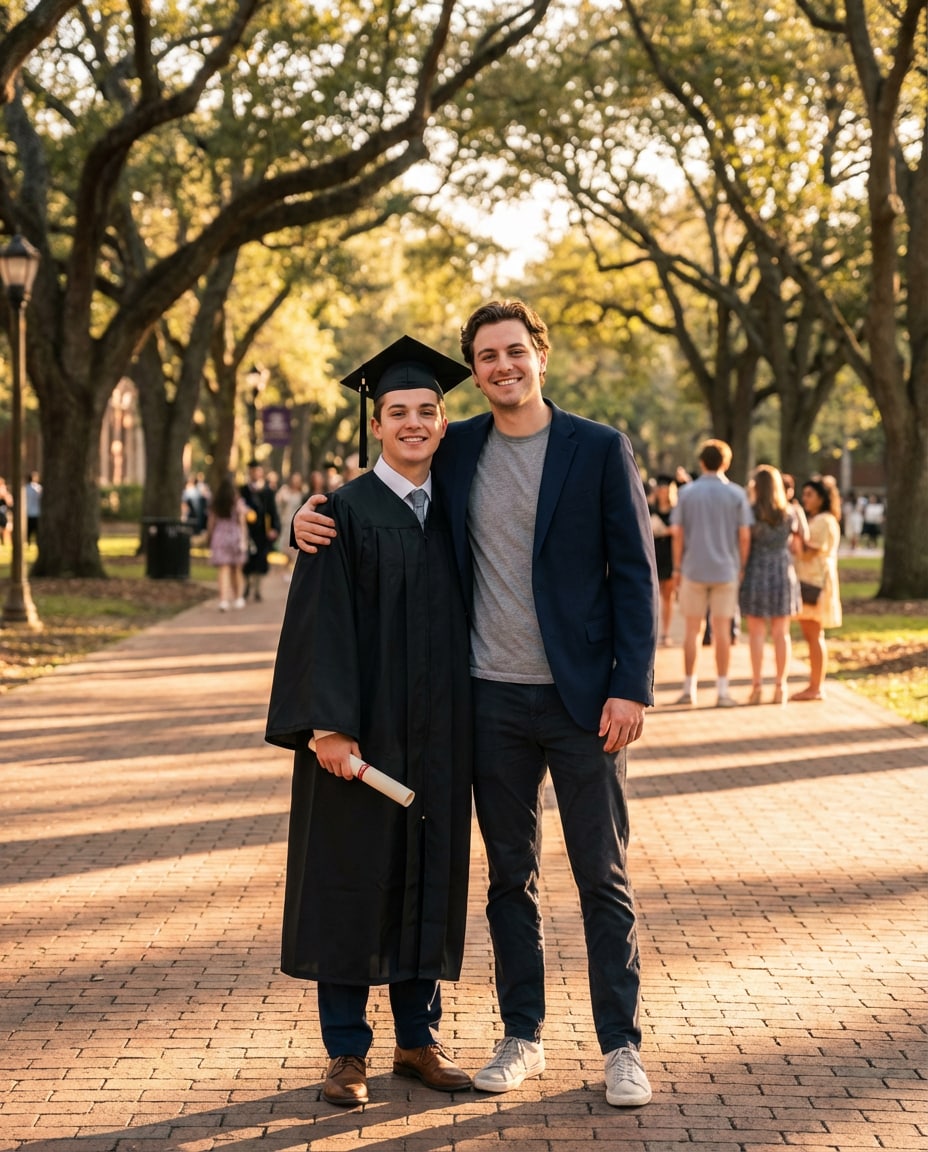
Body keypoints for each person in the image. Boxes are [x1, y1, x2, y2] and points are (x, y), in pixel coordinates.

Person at [294, 299, 659, 1108]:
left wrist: (632, 684)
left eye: (514, 352)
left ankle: (621, 1046)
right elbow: (371, 496)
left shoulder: (596, 449)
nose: (502, 366)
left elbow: (636, 575)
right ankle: (518, 1034)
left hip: (575, 705)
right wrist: (307, 516)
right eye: (486, 356)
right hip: (485, 705)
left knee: (602, 875)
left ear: (540, 355)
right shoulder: (453, 453)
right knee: (506, 880)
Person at [266, 336, 474, 1106]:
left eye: (427, 410)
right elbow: (319, 624)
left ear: (444, 423)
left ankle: (418, 1041)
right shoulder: (339, 513)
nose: (413, 423)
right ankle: (347, 1052)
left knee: (426, 875)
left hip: (440, 733)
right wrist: (326, 725)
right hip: (357, 737)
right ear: (377, 424)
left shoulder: (457, 508)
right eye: (398, 412)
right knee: (350, 879)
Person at [670, 439, 752, 708]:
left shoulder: (686, 493)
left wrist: (678, 567)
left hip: (693, 568)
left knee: (692, 631)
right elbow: (744, 536)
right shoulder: (737, 494)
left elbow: (678, 535)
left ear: (701, 461)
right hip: (726, 569)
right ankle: (722, 690)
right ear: (726, 463)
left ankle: (689, 687)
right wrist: (741, 566)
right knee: (722, 632)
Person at [739, 466, 805, 705]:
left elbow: (745, 543)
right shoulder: (790, 512)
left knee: (757, 633)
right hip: (782, 571)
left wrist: (741, 569)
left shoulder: (750, 512)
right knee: (781, 634)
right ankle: (781, 686)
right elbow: (797, 547)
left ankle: (757, 686)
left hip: (756, 570)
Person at [791, 475, 843, 701]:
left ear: (822, 498)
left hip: (816, 583)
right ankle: (814, 685)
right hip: (810, 581)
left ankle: (816, 686)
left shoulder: (823, 521)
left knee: (814, 635)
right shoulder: (820, 519)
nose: (805, 499)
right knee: (811, 634)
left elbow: (809, 550)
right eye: (804, 495)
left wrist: (793, 527)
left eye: (810, 495)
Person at [239, 461, 281, 602]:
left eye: (257, 471)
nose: (255, 473)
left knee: (260, 561)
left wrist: (275, 528)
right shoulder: (243, 490)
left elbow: (273, 512)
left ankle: (257, 589)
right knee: (247, 561)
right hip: (247, 531)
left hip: (263, 532)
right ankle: (246, 586)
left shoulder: (268, 491)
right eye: (252, 471)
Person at [206, 475, 248, 611]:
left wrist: (209, 537)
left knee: (223, 570)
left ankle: (223, 600)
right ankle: (238, 597)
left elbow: (211, 523)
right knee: (237, 570)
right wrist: (244, 540)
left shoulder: (216, 503)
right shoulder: (237, 502)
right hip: (235, 537)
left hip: (220, 537)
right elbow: (242, 523)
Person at [650, 475, 678, 646]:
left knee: (668, 596)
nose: (662, 490)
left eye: (665, 487)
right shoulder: (650, 508)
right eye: (659, 487)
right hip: (654, 554)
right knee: (652, 596)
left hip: (669, 555)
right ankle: (652, 631)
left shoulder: (676, 510)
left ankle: (665, 633)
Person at [25, 472, 42, 545]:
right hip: (37, 512)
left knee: (28, 530)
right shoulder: (39, 488)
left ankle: (28, 543)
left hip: (28, 512)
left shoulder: (25, 488)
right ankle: (37, 543)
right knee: (37, 530)